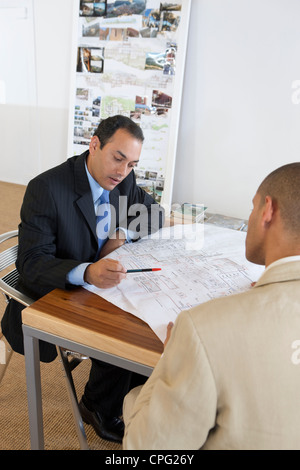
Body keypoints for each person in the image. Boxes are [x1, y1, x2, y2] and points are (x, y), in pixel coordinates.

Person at [1, 114, 164, 443]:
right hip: (54, 291)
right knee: (127, 327)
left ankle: (123, 397)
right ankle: (99, 406)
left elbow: (155, 212)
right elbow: (31, 263)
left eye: (132, 164)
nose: (123, 171)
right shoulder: (46, 189)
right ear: (94, 145)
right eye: (118, 158)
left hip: (102, 284)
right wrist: (87, 271)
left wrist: (121, 233)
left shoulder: (123, 180)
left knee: (151, 312)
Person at [122, 162, 300, 450]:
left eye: (252, 208)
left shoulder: (201, 328)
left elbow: (146, 448)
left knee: (132, 399)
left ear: (268, 211)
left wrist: (171, 359)